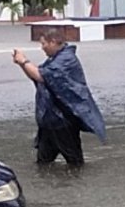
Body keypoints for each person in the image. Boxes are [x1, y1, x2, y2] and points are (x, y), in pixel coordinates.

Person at [12, 30, 106, 166]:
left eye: (44, 43)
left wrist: (24, 60)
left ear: (54, 42)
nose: (42, 47)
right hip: (49, 120)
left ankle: (76, 186)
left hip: (64, 121)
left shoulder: (66, 59)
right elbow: (38, 76)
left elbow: (42, 75)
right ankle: (49, 186)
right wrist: (21, 64)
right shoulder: (54, 59)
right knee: (43, 164)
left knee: (75, 163)